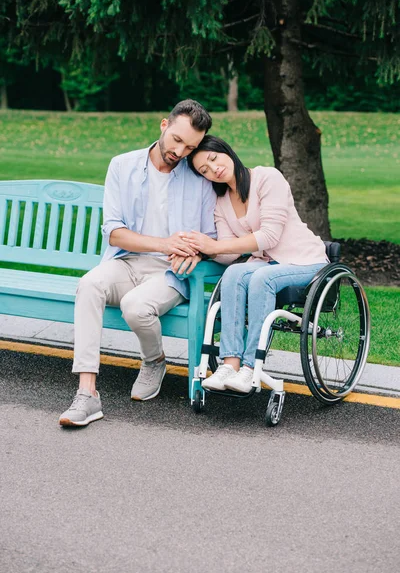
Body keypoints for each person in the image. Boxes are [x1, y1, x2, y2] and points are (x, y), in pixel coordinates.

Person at [59, 100, 216, 427]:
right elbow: (115, 234)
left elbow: (211, 237)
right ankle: (87, 394)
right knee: (89, 284)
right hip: (124, 262)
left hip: (170, 274)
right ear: (163, 124)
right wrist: (164, 242)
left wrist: (196, 253)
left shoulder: (199, 179)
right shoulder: (122, 165)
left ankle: (155, 361)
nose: (180, 151)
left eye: (190, 147)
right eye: (176, 139)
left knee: (135, 306)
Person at [181, 135, 328, 394]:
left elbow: (269, 236)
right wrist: (201, 251)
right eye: (204, 170)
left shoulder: (268, 178)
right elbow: (226, 253)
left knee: (262, 278)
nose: (213, 169)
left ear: (226, 151)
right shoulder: (222, 202)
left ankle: (250, 368)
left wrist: (214, 246)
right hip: (266, 264)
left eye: (214, 159)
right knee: (235, 272)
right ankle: (230, 365)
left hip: (306, 260)